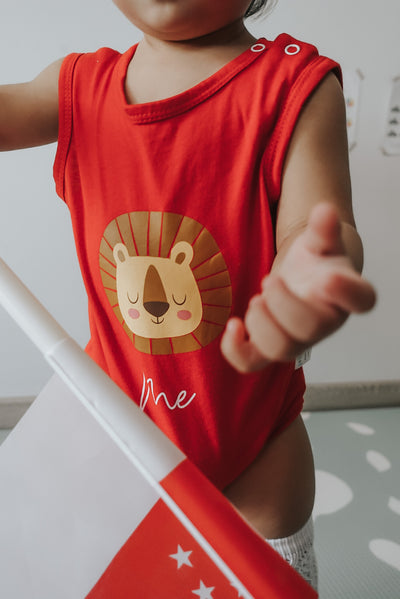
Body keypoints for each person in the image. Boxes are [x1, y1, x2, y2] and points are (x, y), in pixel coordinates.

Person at [0, 0, 376, 591]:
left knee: (262, 582)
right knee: (128, 576)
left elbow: (316, 224)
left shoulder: (293, 86)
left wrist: (313, 266)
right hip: (120, 437)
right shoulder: (76, 86)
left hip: (256, 448)